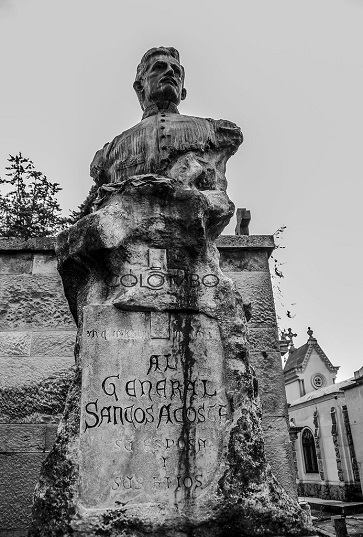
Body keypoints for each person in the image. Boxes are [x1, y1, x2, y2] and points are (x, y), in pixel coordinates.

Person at [90, 47, 243, 195]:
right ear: (139, 86)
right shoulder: (108, 153)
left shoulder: (213, 130)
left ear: (182, 91)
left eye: (176, 72)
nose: (170, 71)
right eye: (159, 67)